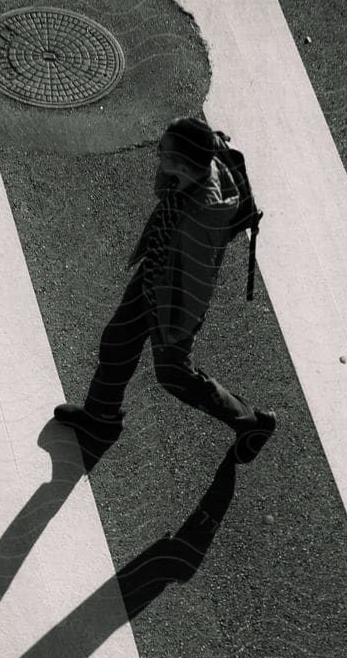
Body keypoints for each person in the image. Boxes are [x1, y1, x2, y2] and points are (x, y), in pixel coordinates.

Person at [54, 117, 277, 464]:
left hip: (173, 299)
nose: (158, 154)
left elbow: (198, 283)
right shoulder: (196, 170)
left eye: (164, 151)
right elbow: (166, 189)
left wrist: (175, 328)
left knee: (174, 375)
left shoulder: (201, 221)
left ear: (183, 165)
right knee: (117, 341)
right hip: (157, 272)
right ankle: (101, 419)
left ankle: (251, 422)